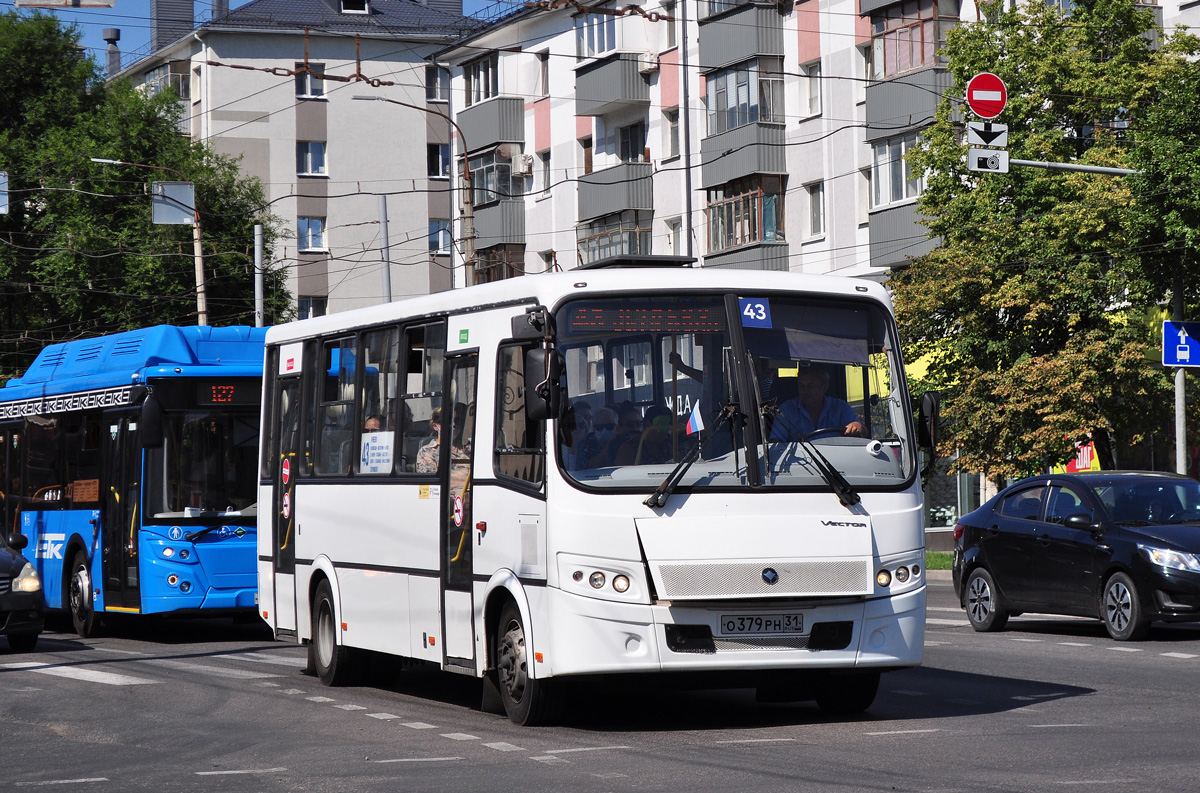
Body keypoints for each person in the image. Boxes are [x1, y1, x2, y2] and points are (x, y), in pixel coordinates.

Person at [770, 367, 863, 440]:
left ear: (824, 387)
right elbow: (775, 445)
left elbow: (862, 431)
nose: (805, 391)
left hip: (835, 462)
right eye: (801, 386)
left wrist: (857, 426)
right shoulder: (786, 411)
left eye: (810, 386)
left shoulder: (840, 407)